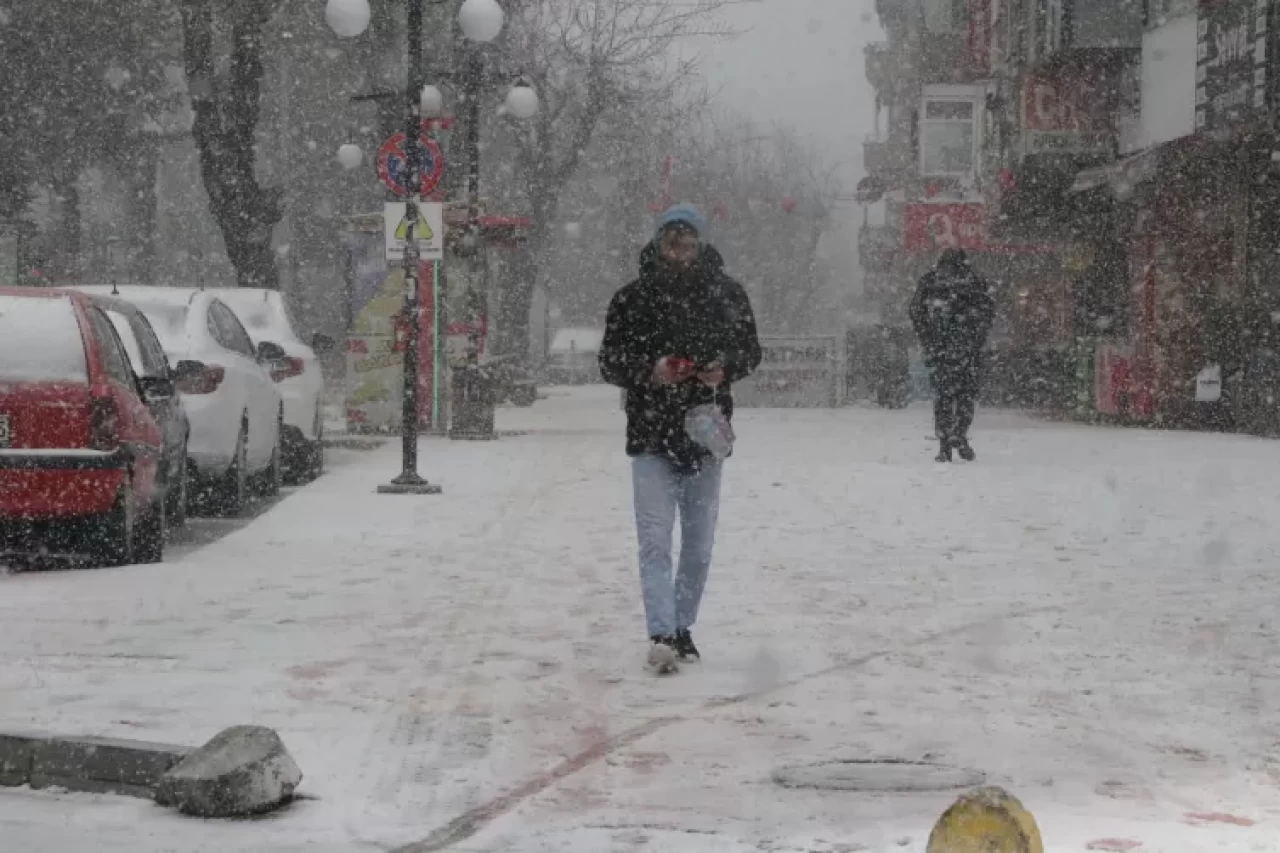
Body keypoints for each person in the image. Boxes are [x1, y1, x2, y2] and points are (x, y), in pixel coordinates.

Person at [599, 203, 762, 673]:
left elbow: (750, 350)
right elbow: (610, 362)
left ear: (701, 244)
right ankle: (662, 630)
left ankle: (683, 625)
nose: (679, 251)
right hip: (651, 434)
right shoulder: (632, 299)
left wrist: (722, 369)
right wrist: (652, 371)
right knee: (654, 538)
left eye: (688, 242)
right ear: (657, 243)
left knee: (699, 543)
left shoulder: (726, 295)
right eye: (671, 241)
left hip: (705, 433)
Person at [909, 248, 995, 462]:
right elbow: (988, 311)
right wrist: (977, 337)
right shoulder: (974, 281)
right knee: (966, 395)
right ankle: (960, 433)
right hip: (967, 349)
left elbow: (915, 310)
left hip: (940, 349)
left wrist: (927, 336)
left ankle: (944, 444)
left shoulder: (931, 281)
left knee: (943, 397)